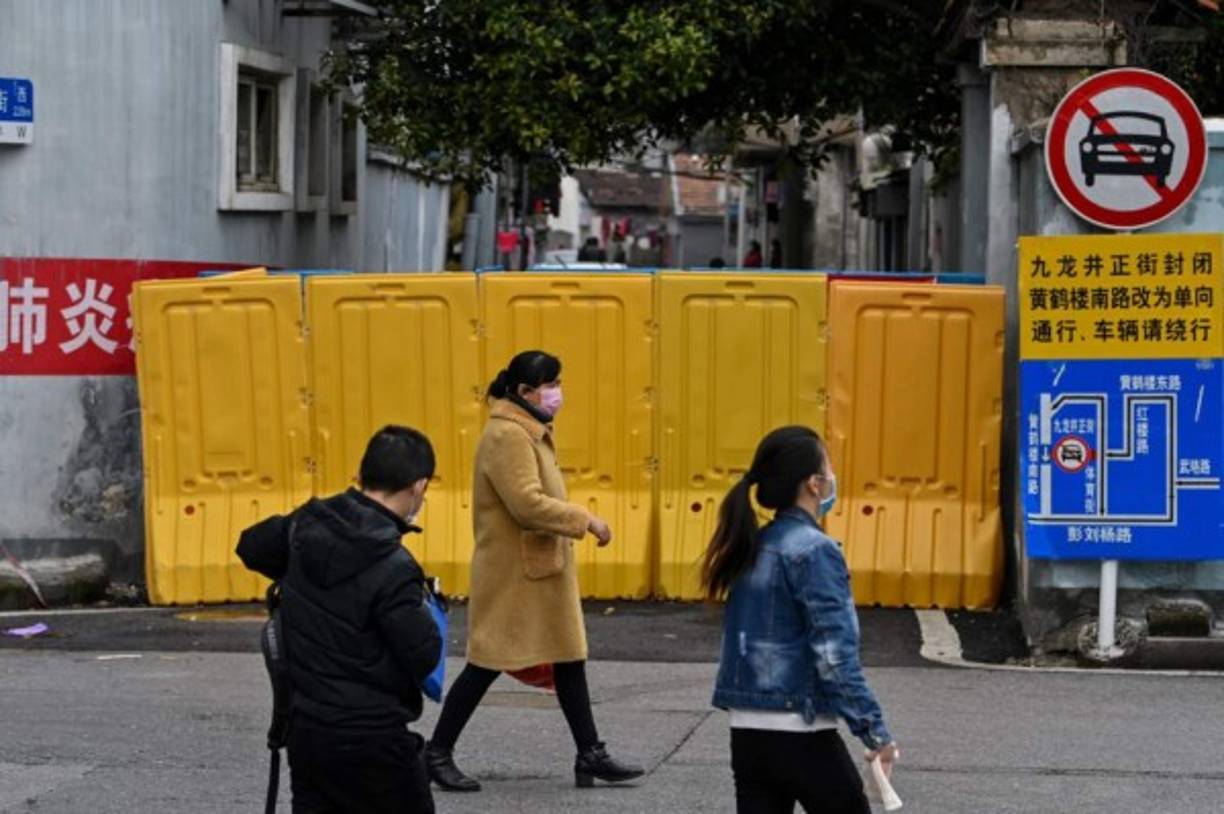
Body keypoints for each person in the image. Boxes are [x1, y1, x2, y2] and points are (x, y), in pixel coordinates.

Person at [425, 350, 644, 792]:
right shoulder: (508, 435)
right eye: (550, 384)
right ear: (524, 391)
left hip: (539, 567)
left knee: (568, 656)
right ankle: (436, 752)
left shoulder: (529, 429)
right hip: (513, 574)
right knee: (487, 661)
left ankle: (590, 752)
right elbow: (526, 503)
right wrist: (585, 521)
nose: (557, 393)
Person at [237, 426, 442, 814]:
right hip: (374, 738)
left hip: (309, 732)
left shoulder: (306, 526)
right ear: (418, 486)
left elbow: (251, 545)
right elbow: (425, 654)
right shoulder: (394, 566)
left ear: (361, 476)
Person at [702, 426, 897, 814]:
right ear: (813, 484)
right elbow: (835, 655)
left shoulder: (750, 546)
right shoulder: (814, 551)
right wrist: (875, 733)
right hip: (802, 730)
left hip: (747, 732)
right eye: (828, 469)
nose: (832, 478)